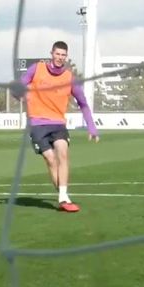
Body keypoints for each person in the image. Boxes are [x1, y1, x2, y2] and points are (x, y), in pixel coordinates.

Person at [20, 40, 99, 212]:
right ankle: (63, 196)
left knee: (63, 152)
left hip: (58, 124)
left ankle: (63, 197)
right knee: (50, 159)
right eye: (57, 54)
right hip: (37, 124)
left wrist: (92, 127)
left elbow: (83, 103)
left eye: (63, 55)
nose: (60, 57)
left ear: (66, 57)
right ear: (51, 53)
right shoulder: (37, 69)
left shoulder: (69, 78)